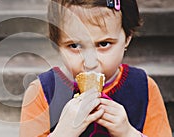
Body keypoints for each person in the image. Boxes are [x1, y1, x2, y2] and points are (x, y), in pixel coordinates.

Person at [19, 0, 172, 136]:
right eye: (74, 46)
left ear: (127, 38)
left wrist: (128, 133)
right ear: (57, 44)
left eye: (103, 44)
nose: (90, 62)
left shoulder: (144, 88)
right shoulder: (42, 91)